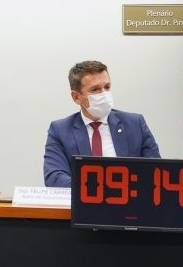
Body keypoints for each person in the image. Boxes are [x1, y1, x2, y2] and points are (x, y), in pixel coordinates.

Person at [43, 60, 160, 188]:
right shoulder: (60, 130)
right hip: (84, 205)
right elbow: (55, 178)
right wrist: (100, 190)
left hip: (130, 204)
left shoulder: (135, 124)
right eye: (95, 89)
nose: (104, 94)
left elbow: (157, 172)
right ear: (76, 97)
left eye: (107, 87)